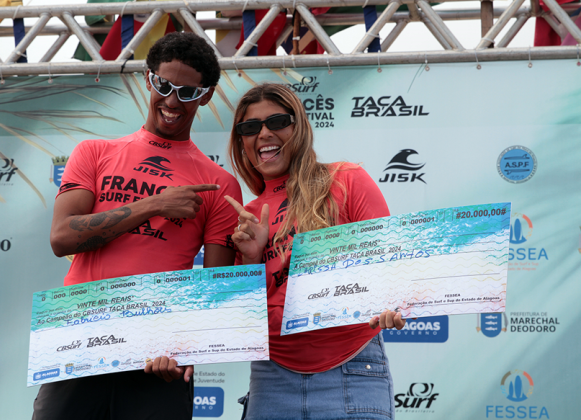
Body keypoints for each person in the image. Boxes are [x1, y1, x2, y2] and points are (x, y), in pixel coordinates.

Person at [33, 32, 243, 420]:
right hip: (80, 342)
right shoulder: (95, 153)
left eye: (187, 92)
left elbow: (214, 290)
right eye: (164, 85)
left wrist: (185, 347)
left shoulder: (218, 184)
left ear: (207, 96)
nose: (171, 101)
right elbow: (62, 238)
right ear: (149, 79)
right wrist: (155, 205)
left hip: (158, 359)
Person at [224, 83, 405, 420]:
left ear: (299, 128)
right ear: (242, 142)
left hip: (350, 369)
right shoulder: (248, 216)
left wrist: (392, 304)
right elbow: (244, 318)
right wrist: (250, 255)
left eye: (277, 122)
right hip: (271, 377)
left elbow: (387, 264)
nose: (263, 133)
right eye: (250, 128)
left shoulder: (346, 180)